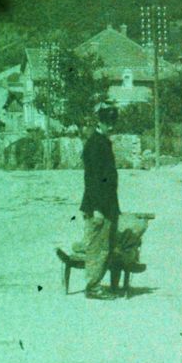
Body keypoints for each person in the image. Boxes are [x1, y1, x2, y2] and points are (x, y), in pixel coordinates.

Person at [77, 105, 120, 299]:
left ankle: (96, 284)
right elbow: (92, 179)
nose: (111, 126)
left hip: (107, 205)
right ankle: (93, 287)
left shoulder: (102, 141)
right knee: (97, 247)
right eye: (107, 123)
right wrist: (96, 209)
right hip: (98, 207)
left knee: (105, 246)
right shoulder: (95, 144)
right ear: (100, 123)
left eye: (113, 123)